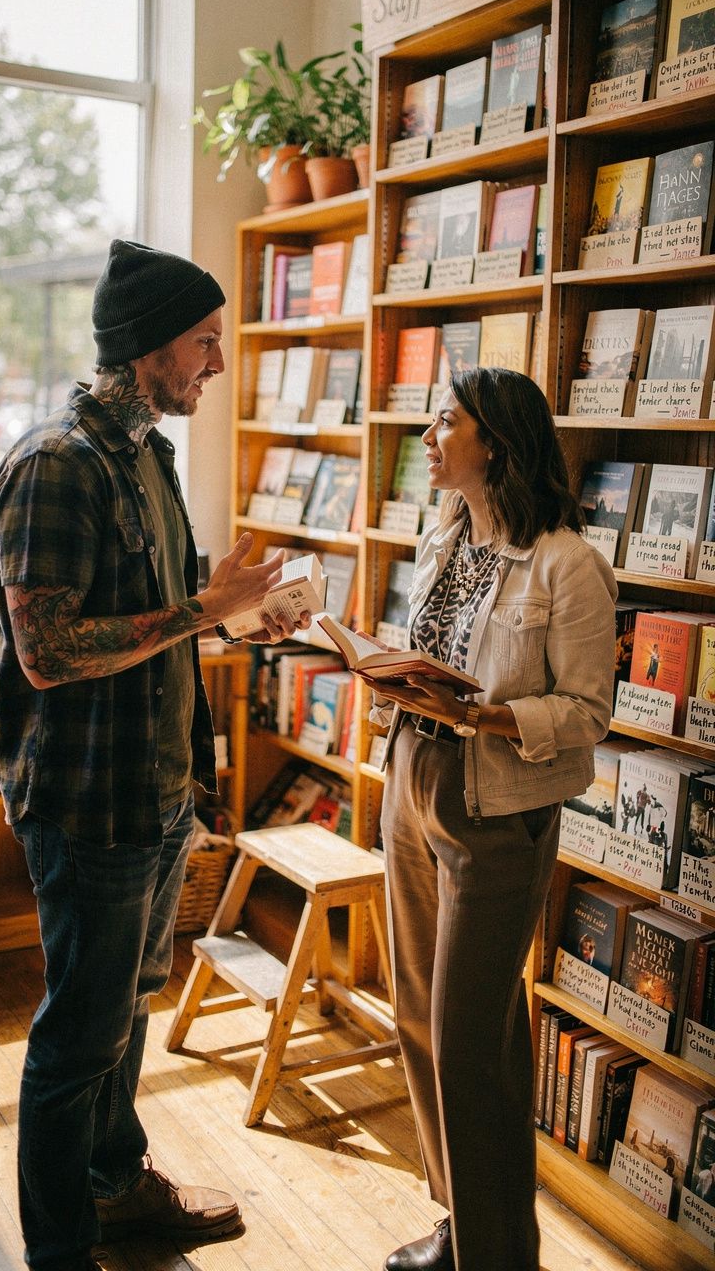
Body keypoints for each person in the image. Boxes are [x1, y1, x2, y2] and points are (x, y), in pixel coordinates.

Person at [0, 240, 311, 1271]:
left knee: (126, 1012)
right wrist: (199, 610)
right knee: (79, 1039)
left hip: (160, 791)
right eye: (205, 342)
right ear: (146, 348)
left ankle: (115, 1186)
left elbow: (162, 620)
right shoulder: (54, 465)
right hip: (89, 805)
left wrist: (235, 619)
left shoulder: (147, 453)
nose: (217, 363)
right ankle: (61, 1248)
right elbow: (45, 653)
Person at [361, 368, 616, 1271]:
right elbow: (433, 650)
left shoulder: (568, 564)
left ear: (496, 440)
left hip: (496, 805)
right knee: (419, 1015)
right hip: (412, 778)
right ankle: (460, 1223)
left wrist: (492, 718)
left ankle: (499, 1254)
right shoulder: (444, 536)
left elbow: (589, 712)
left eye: (444, 421)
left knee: (474, 1039)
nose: (427, 436)